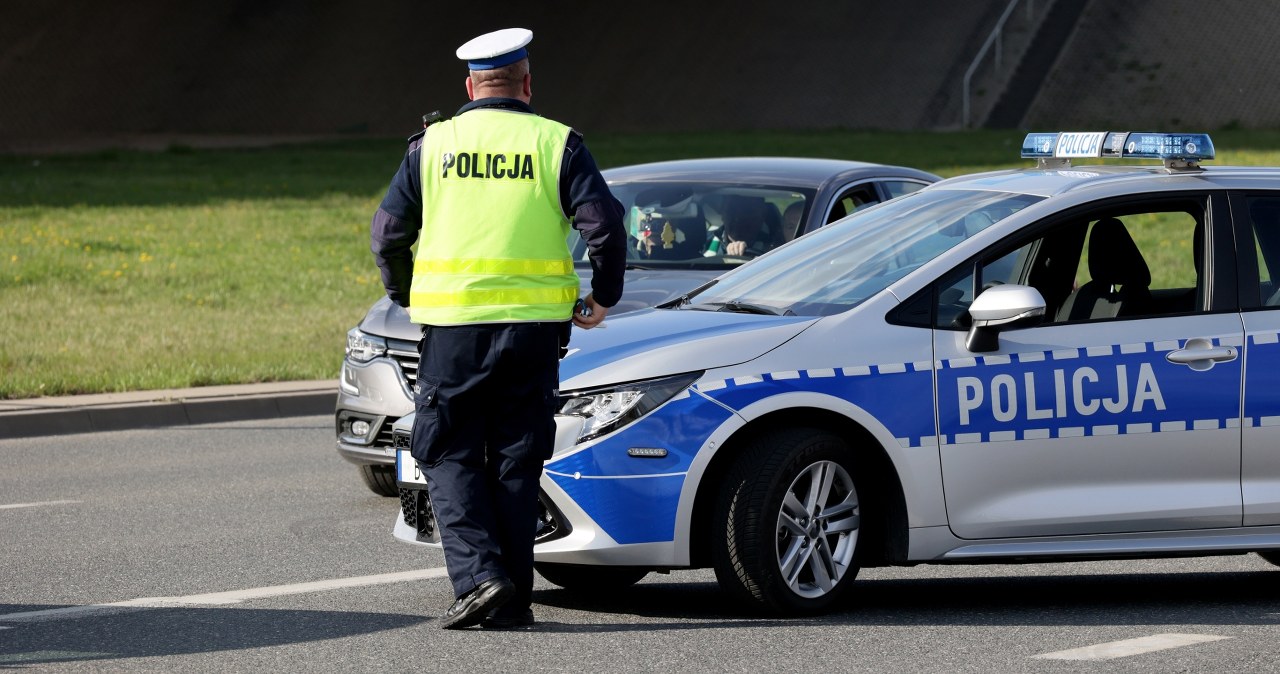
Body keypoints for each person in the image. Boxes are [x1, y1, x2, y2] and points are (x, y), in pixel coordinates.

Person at [369, 27, 627, 630]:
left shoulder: (432, 146)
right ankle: (510, 602)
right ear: (527, 84)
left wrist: (405, 292)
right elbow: (606, 228)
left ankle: (481, 579)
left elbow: (387, 233)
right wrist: (603, 296)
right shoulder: (556, 143)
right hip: (534, 334)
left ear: (469, 86)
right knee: (516, 459)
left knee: (446, 450)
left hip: (454, 331)